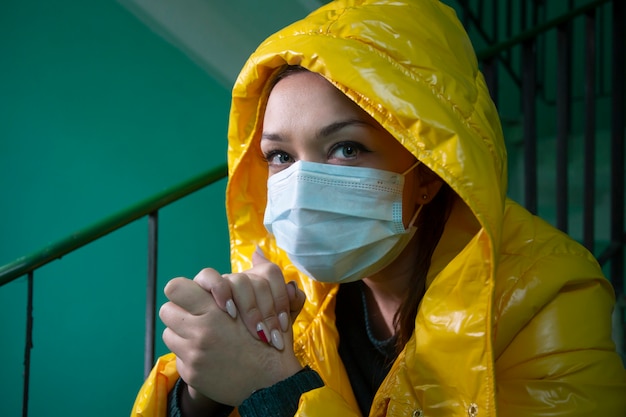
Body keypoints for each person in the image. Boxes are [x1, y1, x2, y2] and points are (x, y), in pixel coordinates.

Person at [131, 0, 626, 416]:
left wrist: (276, 391)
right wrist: (201, 391)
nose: (302, 185)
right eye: (280, 156)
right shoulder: (286, 295)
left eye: (346, 148)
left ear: (429, 173)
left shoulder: (549, 294)